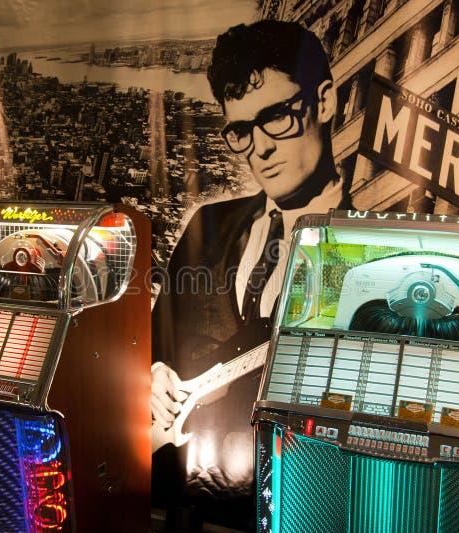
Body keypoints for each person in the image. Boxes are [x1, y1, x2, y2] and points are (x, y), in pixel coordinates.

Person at [151, 19, 353, 531]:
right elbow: (154, 342)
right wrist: (151, 376)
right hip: (186, 503)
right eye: (242, 131)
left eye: (278, 118)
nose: (260, 149)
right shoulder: (207, 225)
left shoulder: (374, 250)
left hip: (307, 509)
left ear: (324, 103)